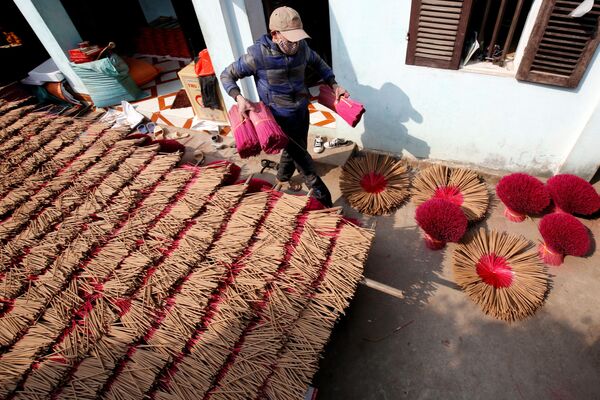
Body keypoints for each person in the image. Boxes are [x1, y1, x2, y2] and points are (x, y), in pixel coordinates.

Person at [220, 6, 348, 208]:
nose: (295, 43)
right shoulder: (257, 56)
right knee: (306, 164)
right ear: (275, 34)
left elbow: (320, 65)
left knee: (298, 146)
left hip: (301, 111)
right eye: (290, 38)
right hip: (277, 118)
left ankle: (282, 176)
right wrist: (239, 98)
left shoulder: (303, 49)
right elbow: (227, 75)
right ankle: (326, 204)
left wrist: (334, 84)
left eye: (298, 37)